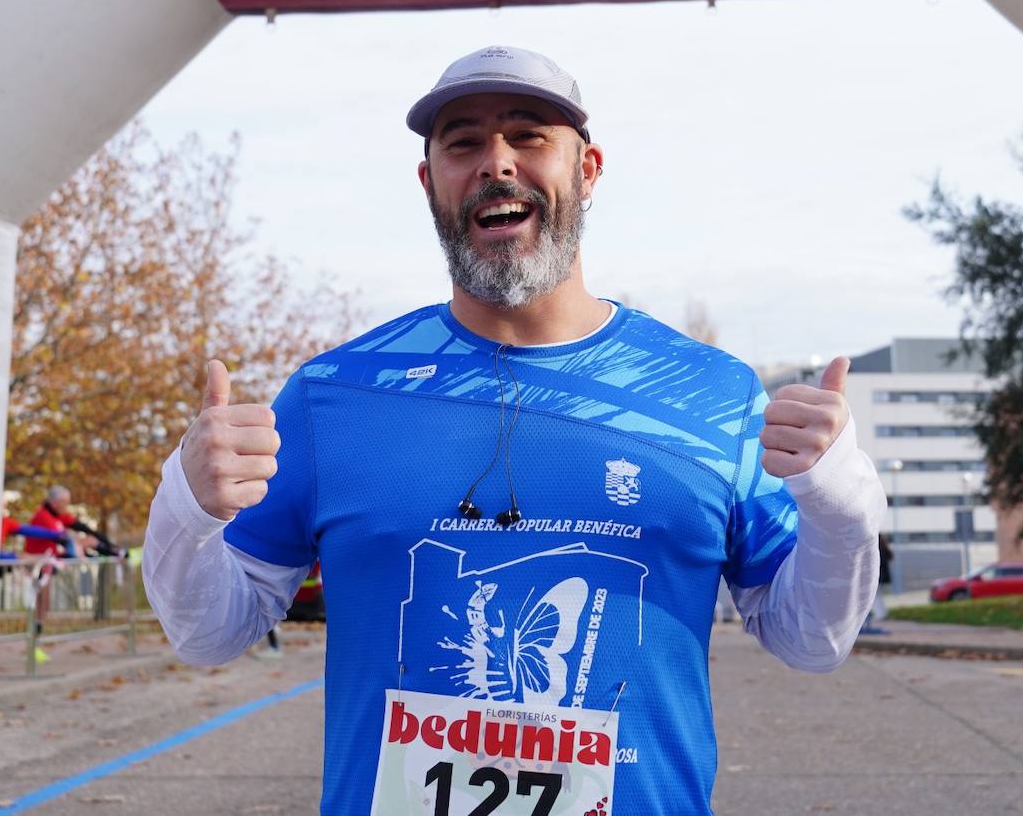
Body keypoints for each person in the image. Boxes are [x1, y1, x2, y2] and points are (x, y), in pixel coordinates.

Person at [143, 46, 887, 814]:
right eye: (463, 143)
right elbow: (211, 633)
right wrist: (187, 506)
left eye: (529, 136)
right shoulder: (332, 396)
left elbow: (811, 639)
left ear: (588, 169)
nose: (496, 163)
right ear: (430, 182)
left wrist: (840, 504)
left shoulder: (711, 395)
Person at [861, 533, 892, 634]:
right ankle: (881, 613)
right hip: (881, 577)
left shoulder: (877, 549)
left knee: (875, 596)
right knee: (878, 596)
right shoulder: (884, 548)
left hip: (877, 577)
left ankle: (880, 614)